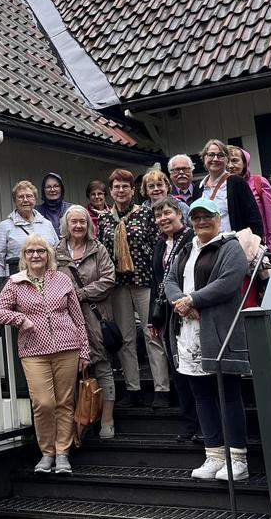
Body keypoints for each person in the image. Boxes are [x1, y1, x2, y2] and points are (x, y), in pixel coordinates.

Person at [164, 198, 251, 481]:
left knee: (228, 393)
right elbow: (169, 281)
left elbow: (228, 282)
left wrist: (193, 299)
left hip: (219, 331)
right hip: (188, 333)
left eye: (207, 217)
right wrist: (181, 301)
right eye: (196, 217)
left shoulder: (230, 247)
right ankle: (214, 455)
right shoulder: (186, 248)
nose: (201, 222)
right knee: (201, 394)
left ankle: (237, 459)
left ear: (218, 219)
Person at [0, 234, 91, 474]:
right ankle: (47, 452)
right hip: (33, 351)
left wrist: (84, 351)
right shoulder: (15, 282)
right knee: (43, 403)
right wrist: (20, 319)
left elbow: (78, 318)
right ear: (24, 257)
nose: (35, 255)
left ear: (48, 255)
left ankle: (62, 453)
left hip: (68, 347)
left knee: (65, 402)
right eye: (30, 251)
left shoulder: (62, 279)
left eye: (41, 251)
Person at [97, 168, 170, 409]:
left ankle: (162, 389)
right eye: (116, 187)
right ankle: (132, 389)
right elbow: (102, 253)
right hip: (117, 285)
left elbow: (158, 246)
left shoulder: (146, 213)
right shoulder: (105, 219)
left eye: (125, 186)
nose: (121, 190)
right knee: (126, 338)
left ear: (132, 190)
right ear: (111, 191)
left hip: (144, 281)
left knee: (152, 335)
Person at [56, 205, 117, 438]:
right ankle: (79, 422)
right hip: (66, 319)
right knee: (71, 371)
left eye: (82, 221)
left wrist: (81, 293)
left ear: (89, 225)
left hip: (96, 315)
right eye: (74, 222)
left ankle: (107, 420)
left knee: (102, 367)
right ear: (66, 225)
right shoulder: (56, 252)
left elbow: (108, 279)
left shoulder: (98, 249)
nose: (78, 225)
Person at [151, 196, 200, 441]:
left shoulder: (192, 238)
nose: (163, 218)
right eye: (158, 215)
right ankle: (191, 425)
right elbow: (156, 281)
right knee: (178, 370)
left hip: (191, 310)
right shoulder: (160, 244)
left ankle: (205, 426)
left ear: (180, 214)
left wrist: (188, 302)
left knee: (195, 370)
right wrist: (153, 319)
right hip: (169, 314)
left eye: (167, 213)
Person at [194, 139, 263, 238]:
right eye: (211, 155)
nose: (215, 159)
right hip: (207, 243)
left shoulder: (237, 182)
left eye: (220, 155)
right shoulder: (198, 187)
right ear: (204, 158)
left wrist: (253, 241)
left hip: (233, 243)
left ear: (227, 159)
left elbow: (253, 217)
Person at [0, 180, 58, 277]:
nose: (25, 200)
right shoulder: (4, 226)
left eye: (29, 196)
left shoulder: (47, 224)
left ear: (35, 199)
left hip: (48, 280)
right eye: (21, 197)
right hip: (17, 280)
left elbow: (57, 253)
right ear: (15, 201)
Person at [227, 146, 271, 253]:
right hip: (231, 249)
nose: (230, 165)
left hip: (259, 247)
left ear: (245, 163)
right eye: (227, 161)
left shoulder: (259, 182)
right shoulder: (222, 188)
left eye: (234, 160)